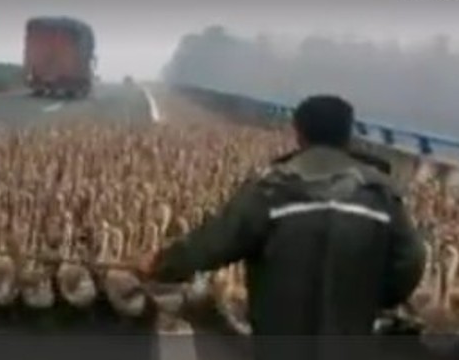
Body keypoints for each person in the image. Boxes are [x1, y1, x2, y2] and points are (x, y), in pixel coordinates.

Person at [142, 95, 427, 360]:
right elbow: (411, 261)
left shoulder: (270, 191)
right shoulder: (381, 197)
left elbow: (210, 245)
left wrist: (161, 265)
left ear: (299, 133)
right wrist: (371, 296)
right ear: (348, 135)